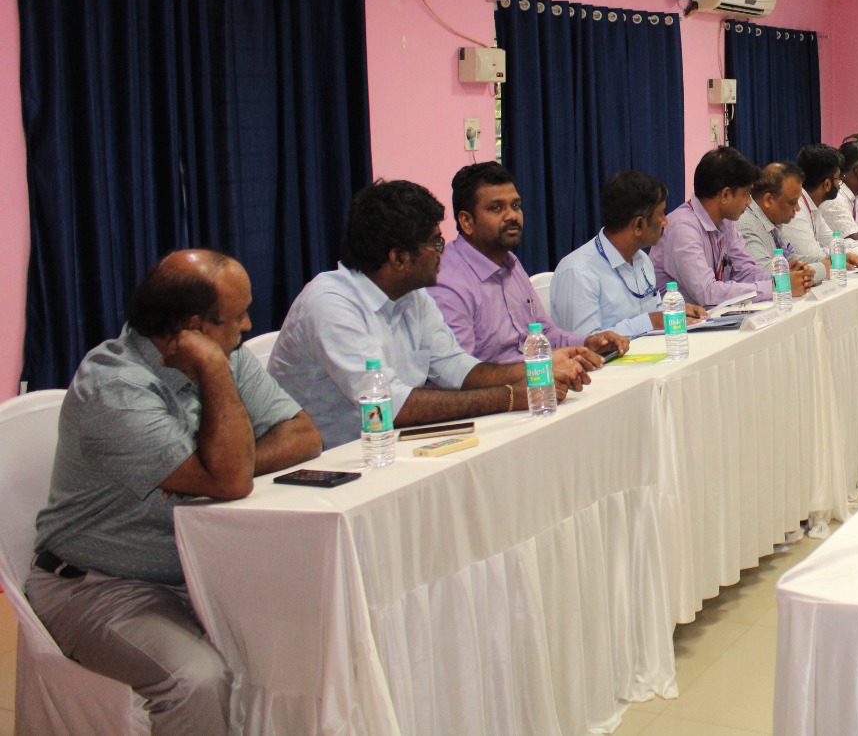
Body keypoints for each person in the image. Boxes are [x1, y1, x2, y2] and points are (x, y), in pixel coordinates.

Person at [28, 250, 321, 735]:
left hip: (196, 568)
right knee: (196, 681)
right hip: (99, 584)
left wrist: (214, 466)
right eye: (238, 315)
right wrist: (214, 381)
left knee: (307, 633)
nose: (248, 325)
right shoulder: (114, 388)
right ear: (195, 329)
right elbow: (230, 483)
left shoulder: (226, 355)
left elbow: (302, 435)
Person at [271, 179, 596, 445]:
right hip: (335, 462)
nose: (443, 253)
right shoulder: (331, 304)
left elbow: (456, 368)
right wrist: (511, 397)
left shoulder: (412, 295)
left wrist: (536, 371)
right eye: (435, 244)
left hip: (389, 448)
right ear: (399, 258)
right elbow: (390, 405)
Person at [429, 162, 628, 362]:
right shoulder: (447, 282)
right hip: (516, 381)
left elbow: (545, 333)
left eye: (515, 206)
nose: (512, 216)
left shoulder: (511, 262)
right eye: (496, 208)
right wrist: (533, 370)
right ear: (467, 221)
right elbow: (460, 372)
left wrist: (587, 343)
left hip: (536, 376)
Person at [549, 170, 707, 337]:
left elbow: (654, 314)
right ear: (638, 225)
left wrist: (674, 312)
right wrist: (650, 322)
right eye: (661, 214)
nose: (665, 221)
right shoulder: (578, 272)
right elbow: (585, 343)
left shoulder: (642, 260)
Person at [654, 146, 811, 307]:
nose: (749, 201)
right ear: (725, 195)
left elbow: (746, 271)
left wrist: (782, 279)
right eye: (746, 194)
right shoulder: (683, 228)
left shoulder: (726, 223)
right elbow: (708, 293)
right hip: (677, 320)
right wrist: (777, 287)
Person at [736, 161, 822, 275]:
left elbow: (791, 259)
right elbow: (763, 274)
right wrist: (823, 268)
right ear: (768, 200)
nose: (797, 208)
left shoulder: (773, 220)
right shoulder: (745, 225)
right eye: (792, 202)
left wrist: (829, 261)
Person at [789, 143, 858, 271]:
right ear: (827, 184)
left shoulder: (812, 205)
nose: (840, 183)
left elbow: (834, 242)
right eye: (839, 178)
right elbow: (814, 257)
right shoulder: (796, 211)